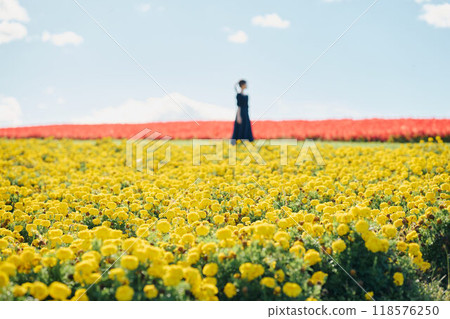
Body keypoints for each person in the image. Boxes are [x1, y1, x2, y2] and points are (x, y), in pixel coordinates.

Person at [231, 79, 254, 144]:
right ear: (242, 85)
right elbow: (239, 106)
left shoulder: (246, 96)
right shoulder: (239, 95)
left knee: (246, 126)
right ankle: (238, 142)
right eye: (245, 84)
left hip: (246, 113)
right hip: (240, 113)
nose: (246, 85)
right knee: (240, 128)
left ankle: (246, 142)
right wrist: (238, 116)